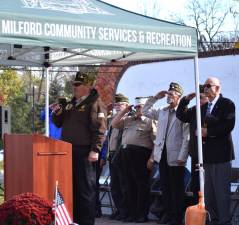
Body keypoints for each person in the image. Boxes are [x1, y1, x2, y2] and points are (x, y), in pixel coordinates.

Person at [52, 71, 107, 225]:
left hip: (84, 152)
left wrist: (95, 150)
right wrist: (57, 112)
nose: (74, 87)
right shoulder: (71, 103)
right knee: (71, 189)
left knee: (85, 190)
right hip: (68, 152)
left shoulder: (95, 103)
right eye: (73, 84)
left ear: (88, 86)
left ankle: (86, 222)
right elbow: (58, 122)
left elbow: (100, 129)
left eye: (77, 85)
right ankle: (73, 220)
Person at [142, 82, 189, 225]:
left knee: (176, 189)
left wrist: (183, 156)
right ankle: (168, 215)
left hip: (176, 157)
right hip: (161, 154)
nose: (169, 96)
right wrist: (155, 98)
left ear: (179, 97)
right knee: (166, 188)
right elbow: (145, 111)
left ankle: (176, 217)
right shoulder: (162, 110)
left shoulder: (184, 112)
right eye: (168, 94)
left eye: (172, 94)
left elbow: (187, 137)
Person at [112, 97, 157, 223]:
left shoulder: (150, 121)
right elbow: (114, 124)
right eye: (136, 107)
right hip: (125, 154)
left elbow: (155, 141)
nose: (137, 109)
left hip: (141, 154)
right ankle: (131, 213)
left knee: (141, 186)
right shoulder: (128, 119)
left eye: (140, 106)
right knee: (128, 185)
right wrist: (124, 111)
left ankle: (142, 214)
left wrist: (152, 158)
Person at [200, 77, 235, 225]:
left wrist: (208, 132)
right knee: (209, 193)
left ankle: (224, 221)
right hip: (207, 156)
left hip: (221, 155)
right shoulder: (203, 107)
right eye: (204, 86)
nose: (205, 88)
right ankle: (213, 220)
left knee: (221, 193)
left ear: (218, 88)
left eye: (209, 86)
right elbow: (184, 116)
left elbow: (228, 125)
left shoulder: (227, 104)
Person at [176, 84, 208, 204]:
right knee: (195, 185)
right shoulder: (195, 109)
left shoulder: (211, 109)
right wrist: (185, 100)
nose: (199, 100)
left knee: (206, 186)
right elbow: (181, 115)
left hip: (207, 154)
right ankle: (197, 212)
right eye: (198, 97)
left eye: (201, 97)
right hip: (195, 154)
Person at [108, 93, 129, 221]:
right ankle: (119, 208)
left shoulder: (129, 118)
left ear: (127, 105)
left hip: (122, 155)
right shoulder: (112, 119)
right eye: (116, 104)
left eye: (120, 104)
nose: (117, 107)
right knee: (114, 185)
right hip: (112, 154)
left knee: (124, 184)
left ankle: (125, 210)